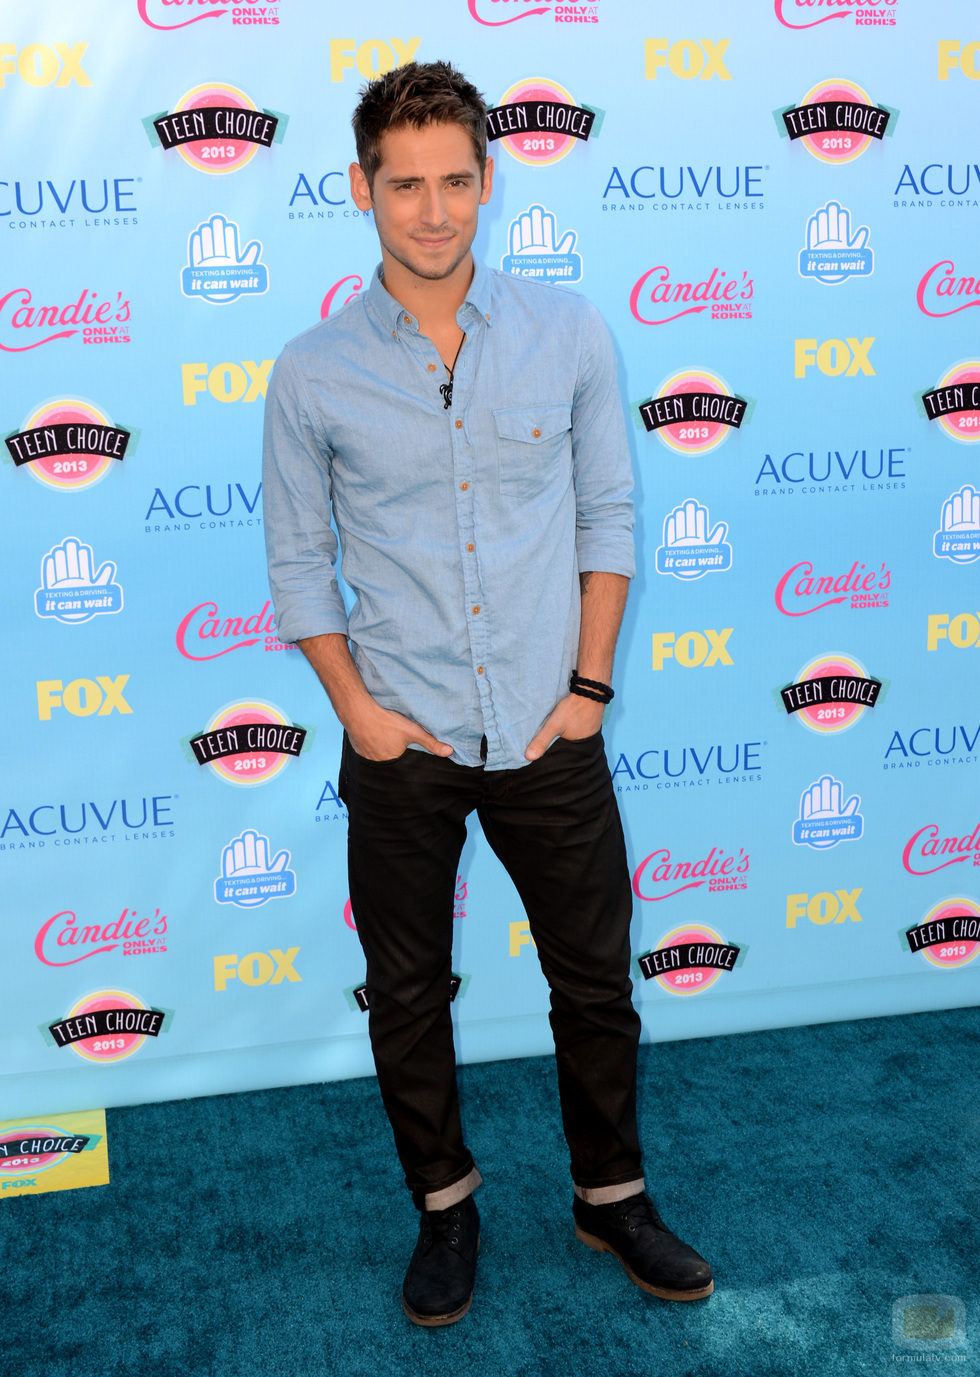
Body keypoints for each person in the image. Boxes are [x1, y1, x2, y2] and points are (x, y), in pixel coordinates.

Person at [262, 60, 713, 1326]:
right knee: (406, 995)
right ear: (362, 189)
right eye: (404, 184)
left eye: (453, 181)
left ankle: (610, 1197)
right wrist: (356, 714)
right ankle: (444, 1208)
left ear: (487, 181)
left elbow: (609, 514)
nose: (432, 210)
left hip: (546, 726)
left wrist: (587, 689)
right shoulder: (310, 372)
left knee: (595, 983)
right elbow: (297, 565)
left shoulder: (569, 331)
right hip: (397, 739)